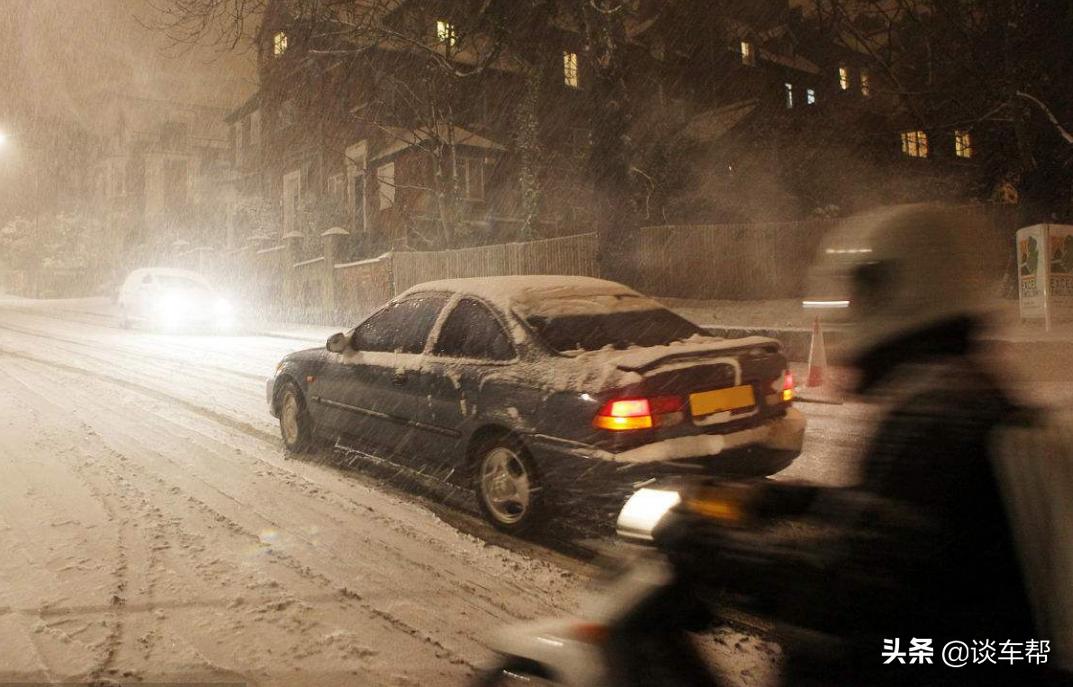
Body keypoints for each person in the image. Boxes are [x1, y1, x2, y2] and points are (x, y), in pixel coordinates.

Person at [759, 203, 1067, 686]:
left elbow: (862, 582)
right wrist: (788, 498)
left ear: (897, 289)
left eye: (859, 290)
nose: (850, 309)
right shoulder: (958, 387)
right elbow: (900, 515)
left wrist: (729, 557)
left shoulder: (935, 412)